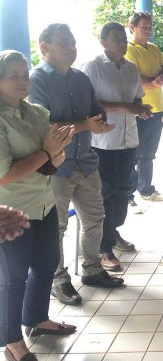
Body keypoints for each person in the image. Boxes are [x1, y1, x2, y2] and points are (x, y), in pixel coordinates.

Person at [29, 24, 124, 307]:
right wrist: (86, 125)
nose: (71, 48)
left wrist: (100, 120)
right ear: (44, 47)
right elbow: (44, 126)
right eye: (63, 43)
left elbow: (95, 111)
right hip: (56, 165)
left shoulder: (81, 78)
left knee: (94, 218)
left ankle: (92, 270)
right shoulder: (36, 80)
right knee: (56, 227)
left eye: (72, 42)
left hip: (86, 161)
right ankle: (58, 280)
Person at [0, 50, 76, 361]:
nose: (22, 81)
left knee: (46, 264)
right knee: (12, 277)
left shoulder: (35, 112)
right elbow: (4, 175)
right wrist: (46, 154)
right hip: (12, 212)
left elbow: (52, 157)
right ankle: (11, 341)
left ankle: (36, 318)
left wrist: (54, 155)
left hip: (44, 202)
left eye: (25, 75)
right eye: (13, 76)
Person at [81, 22, 152, 272]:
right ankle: (103, 247)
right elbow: (90, 103)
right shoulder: (93, 67)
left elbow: (136, 97)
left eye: (124, 38)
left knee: (125, 190)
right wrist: (125, 107)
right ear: (103, 42)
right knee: (106, 193)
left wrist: (140, 109)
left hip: (128, 139)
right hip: (103, 142)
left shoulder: (131, 68)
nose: (122, 42)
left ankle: (113, 232)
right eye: (116, 38)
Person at [126, 11, 163, 203]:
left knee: (148, 154)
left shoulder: (154, 49)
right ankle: (128, 195)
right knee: (133, 154)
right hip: (137, 110)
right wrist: (156, 80)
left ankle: (146, 190)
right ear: (132, 27)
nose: (148, 30)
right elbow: (134, 78)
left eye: (149, 27)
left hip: (157, 109)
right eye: (143, 27)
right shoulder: (128, 49)